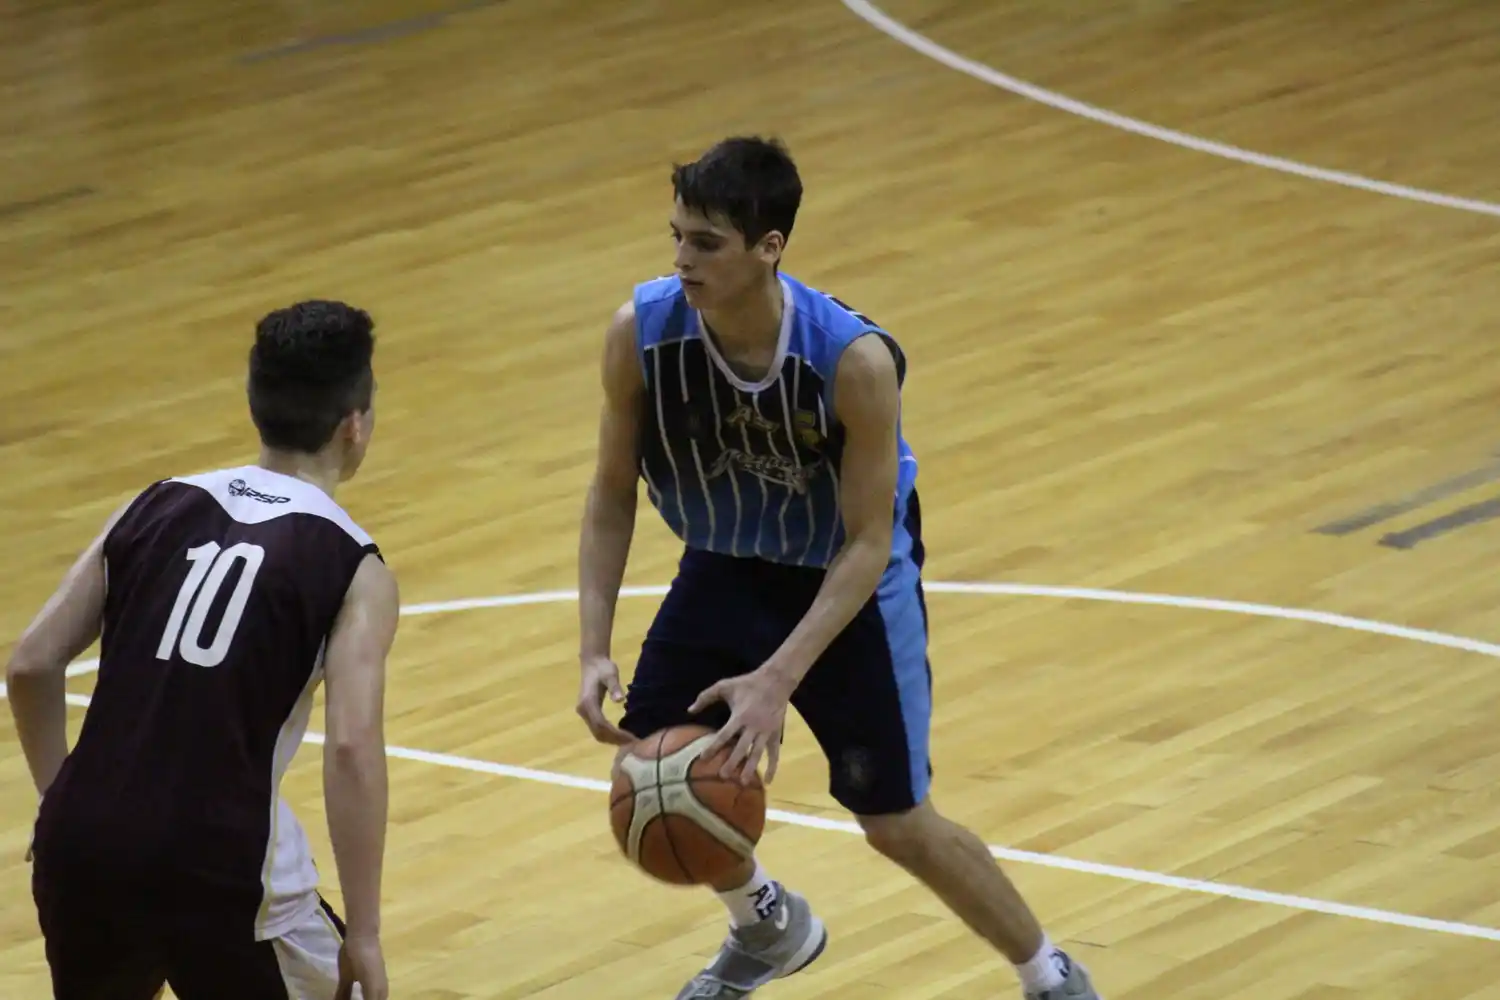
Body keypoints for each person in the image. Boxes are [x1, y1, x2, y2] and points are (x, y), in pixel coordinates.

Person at [575, 136, 1103, 1000]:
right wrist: (594, 646)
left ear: (769, 247)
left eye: (705, 243)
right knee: (657, 771)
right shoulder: (640, 335)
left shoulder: (852, 362)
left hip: (844, 581)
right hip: (725, 563)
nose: (681, 261)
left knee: (894, 822)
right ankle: (766, 923)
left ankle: (1050, 975)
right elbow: (609, 491)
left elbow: (867, 542)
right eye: (676, 238)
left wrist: (777, 678)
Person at [7, 300, 397, 1000]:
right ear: (355, 426)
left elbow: (31, 664)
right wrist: (364, 932)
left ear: (254, 404)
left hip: (83, 847)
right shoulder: (353, 564)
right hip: (222, 867)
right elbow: (350, 748)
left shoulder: (154, 504)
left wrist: (62, 803)